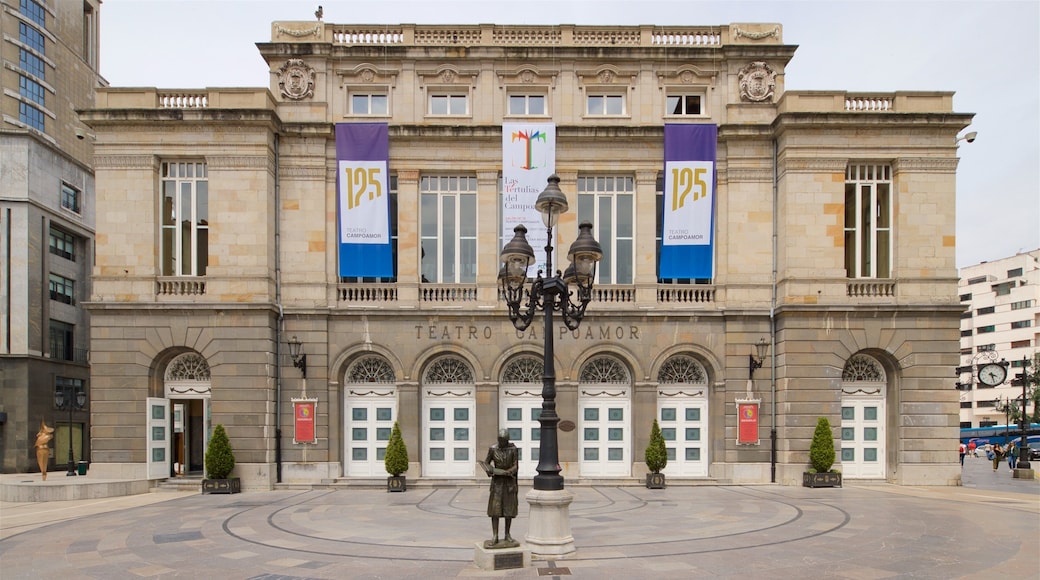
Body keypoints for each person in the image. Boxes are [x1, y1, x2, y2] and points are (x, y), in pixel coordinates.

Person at [481, 429, 519, 549]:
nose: (501, 443)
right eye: (500, 441)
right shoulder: (493, 449)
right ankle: (495, 535)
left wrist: (510, 471)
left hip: (509, 482)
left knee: (509, 510)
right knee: (495, 510)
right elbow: (487, 463)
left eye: (504, 441)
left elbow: (516, 465)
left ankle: (507, 534)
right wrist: (489, 471)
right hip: (497, 483)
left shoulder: (513, 449)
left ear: (507, 440)